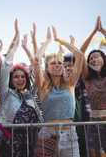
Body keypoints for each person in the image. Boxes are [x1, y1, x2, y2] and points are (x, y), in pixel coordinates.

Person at [23, 24, 83, 157]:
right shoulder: (43, 86)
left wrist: (60, 40)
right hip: (47, 135)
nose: (57, 65)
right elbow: (37, 60)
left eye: (60, 63)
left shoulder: (70, 84)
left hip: (70, 136)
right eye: (53, 63)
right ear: (47, 68)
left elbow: (79, 55)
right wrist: (48, 41)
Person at [0, 19, 41, 157]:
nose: (20, 79)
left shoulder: (30, 95)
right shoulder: (6, 94)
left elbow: (37, 70)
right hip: (10, 144)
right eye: (16, 77)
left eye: (22, 77)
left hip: (31, 142)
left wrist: (29, 46)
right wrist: (15, 43)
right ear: (11, 80)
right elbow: (6, 67)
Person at [79, 16, 106, 157]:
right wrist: (93, 32)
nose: (94, 59)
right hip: (93, 124)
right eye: (91, 58)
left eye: (97, 56)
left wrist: (102, 31)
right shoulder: (87, 78)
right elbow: (79, 54)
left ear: (104, 59)